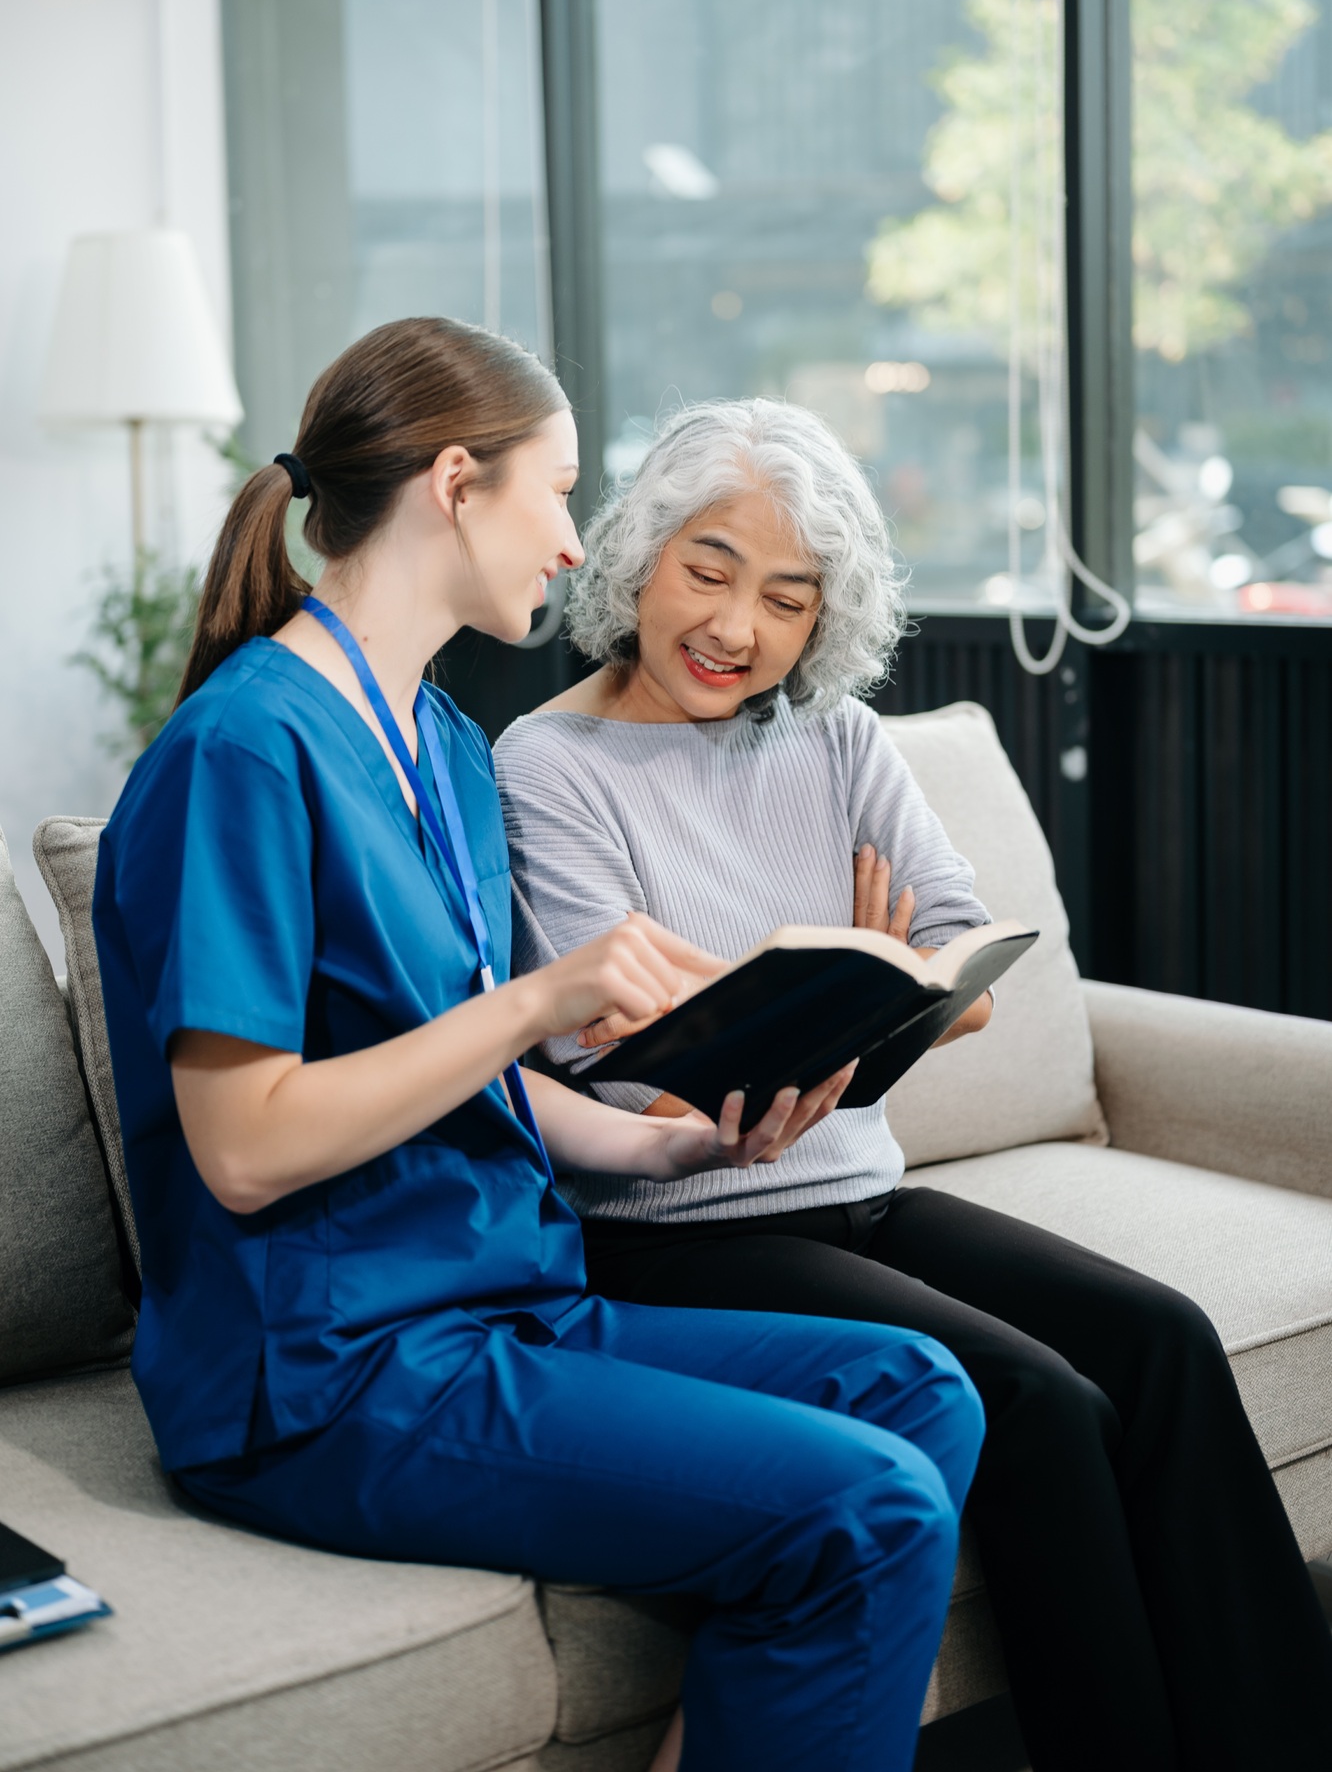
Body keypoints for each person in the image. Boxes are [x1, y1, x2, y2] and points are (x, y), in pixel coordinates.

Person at [91, 320, 985, 1772]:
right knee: (866, 1505)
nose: (577, 546)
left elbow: (478, 1080)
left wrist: (673, 1140)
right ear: (457, 484)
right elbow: (245, 1150)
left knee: (918, 1389)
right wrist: (538, 997)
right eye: (558, 493)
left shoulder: (436, 739)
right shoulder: (241, 753)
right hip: (331, 1374)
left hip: (501, 1306)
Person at [494, 396, 1332, 1772]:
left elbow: (971, 967)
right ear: (640, 556)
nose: (737, 629)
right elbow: (621, 1066)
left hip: (857, 1193)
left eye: (787, 598)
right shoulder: (549, 764)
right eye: (708, 572)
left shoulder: (831, 738)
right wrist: (849, 971)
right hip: (680, 1236)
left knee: (1164, 1337)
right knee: (1042, 1399)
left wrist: (835, 990)